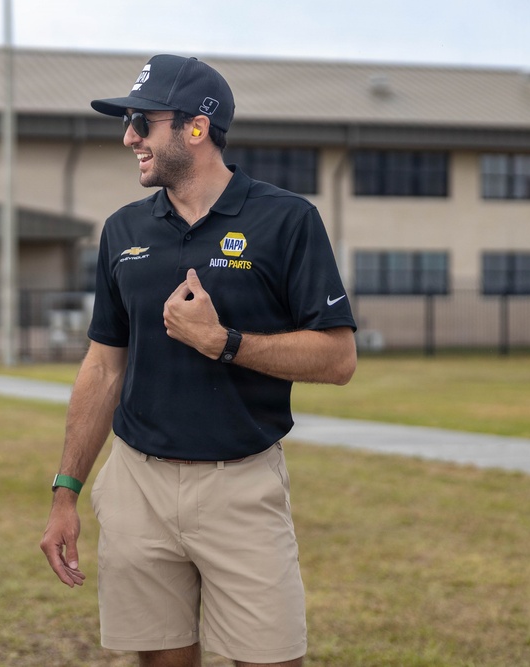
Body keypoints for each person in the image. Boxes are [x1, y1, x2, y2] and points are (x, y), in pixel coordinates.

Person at [40, 54, 357, 667]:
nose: (128, 137)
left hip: (241, 483)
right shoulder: (122, 230)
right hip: (137, 483)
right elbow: (103, 367)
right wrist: (65, 492)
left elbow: (338, 357)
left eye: (141, 122)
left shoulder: (287, 219)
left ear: (196, 127)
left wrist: (224, 342)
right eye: (127, 122)